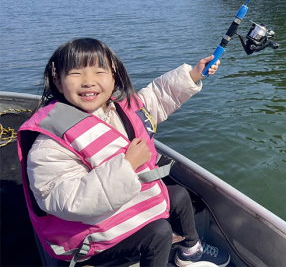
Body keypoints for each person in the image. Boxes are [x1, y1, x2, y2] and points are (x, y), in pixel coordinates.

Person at [17, 38, 230, 267]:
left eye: (99, 72)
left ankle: (190, 251)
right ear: (58, 81)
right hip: (86, 236)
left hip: (117, 206)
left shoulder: (119, 108)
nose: (89, 82)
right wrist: (127, 165)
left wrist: (193, 75)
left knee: (177, 194)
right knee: (158, 233)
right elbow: (66, 200)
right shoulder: (49, 144)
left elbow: (158, 97)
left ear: (114, 76)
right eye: (76, 73)